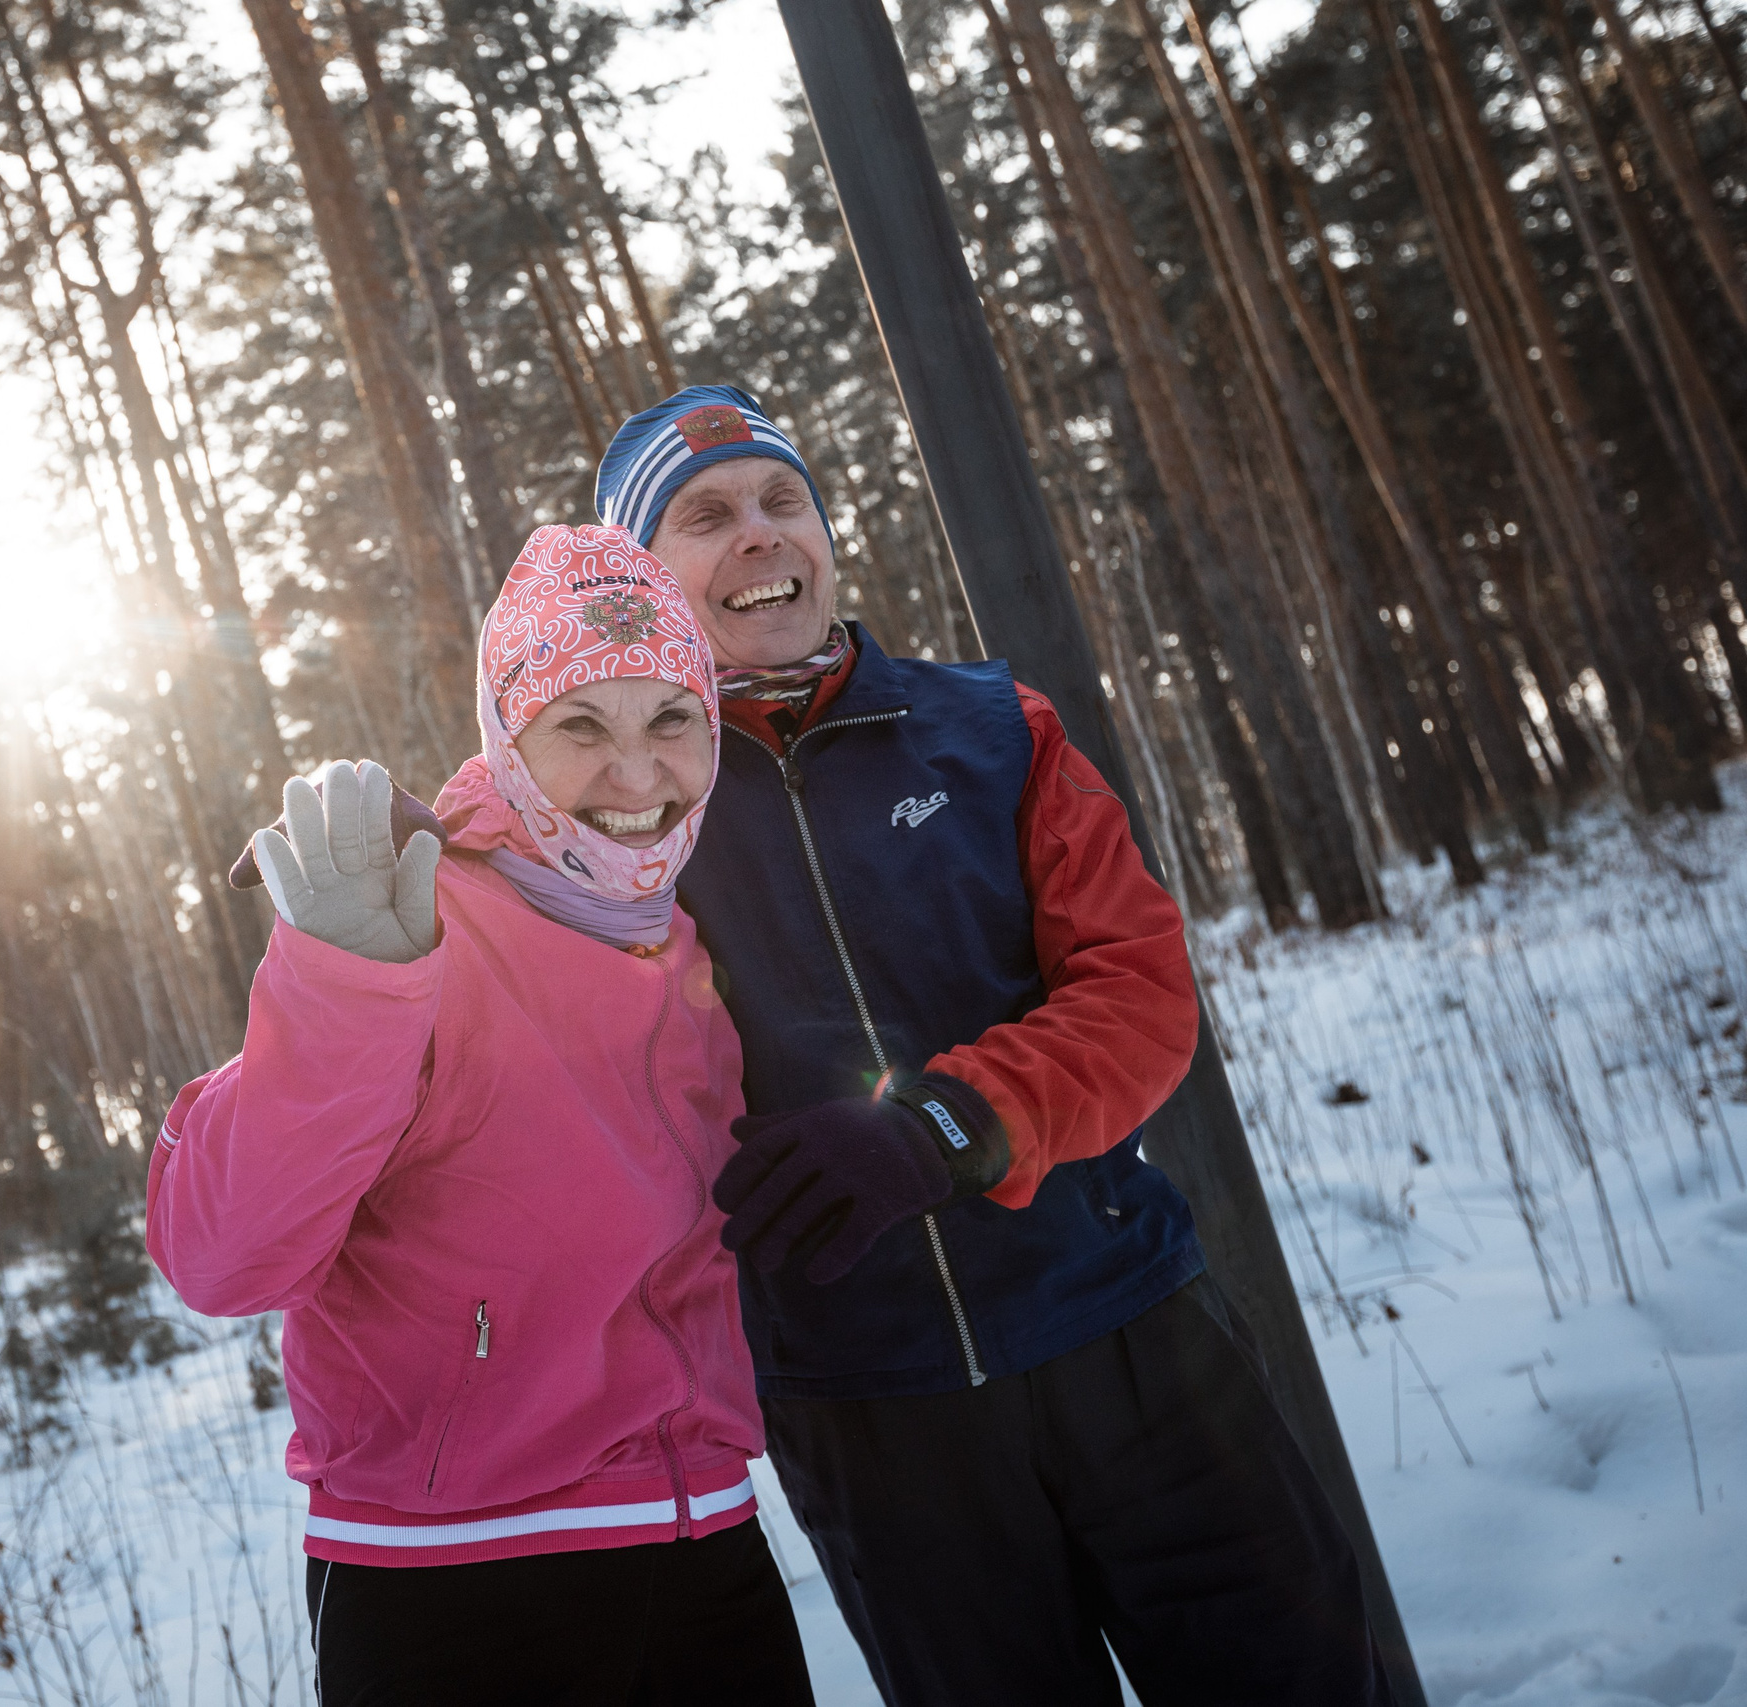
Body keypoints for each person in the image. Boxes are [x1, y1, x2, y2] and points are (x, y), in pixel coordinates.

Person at [595, 385, 1394, 1704]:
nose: (760, 533)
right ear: (641, 582)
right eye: (706, 517)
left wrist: (950, 1120)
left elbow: (1140, 997)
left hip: (1133, 1332)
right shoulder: (622, 819)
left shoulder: (990, 728)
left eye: (784, 499)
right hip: (873, 1404)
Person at [146, 524, 817, 1707]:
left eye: (670, 719)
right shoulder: (414, 921)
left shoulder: (691, 948)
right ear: (507, 737)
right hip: (454, 1576)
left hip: (705, 1545)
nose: (636, 775)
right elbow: (224, 1257)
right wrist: (344, 981)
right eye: (579, 726)